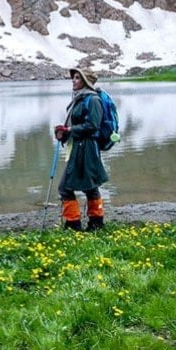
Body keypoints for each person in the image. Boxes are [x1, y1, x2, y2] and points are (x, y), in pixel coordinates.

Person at [52, 65, 110, 231]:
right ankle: (96, 222)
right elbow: (79, 125)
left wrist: (70, 130)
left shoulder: (93, 100)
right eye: (74, 77)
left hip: (86, 149)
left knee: (65, 188)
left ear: (85, 81)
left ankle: (73, 224)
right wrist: (64, 134)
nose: (74, 80)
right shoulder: (80, 98)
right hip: (79, 148)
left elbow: (93, 126)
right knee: (90, 186)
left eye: (78, 78)